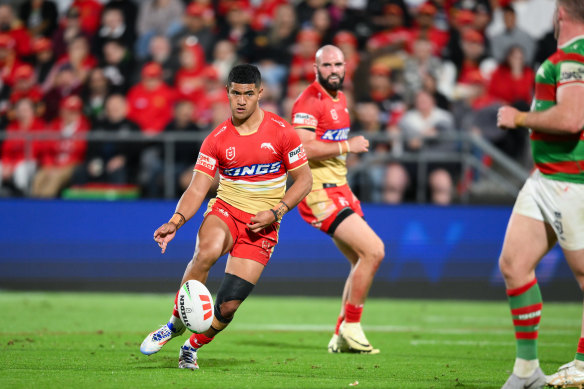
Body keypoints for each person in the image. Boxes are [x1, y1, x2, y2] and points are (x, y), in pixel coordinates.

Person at [139, 64, 313, 370]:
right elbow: (197, 188)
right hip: (227, 211)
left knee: (229, 305)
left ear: (261, 93)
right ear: (228, 94)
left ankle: (191, 347)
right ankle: (174, 324)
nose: (242, 100)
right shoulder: (216, 139)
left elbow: (304, 180)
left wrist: (277, 211)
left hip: (264, 224)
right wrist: (176, 221)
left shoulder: (283, 132)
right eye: (236, 93)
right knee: (205, 253)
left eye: (248, 93)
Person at [496, 1, 584, 388]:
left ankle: (582, 362)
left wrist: (519, 117)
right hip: (544, 177)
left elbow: (570, 119)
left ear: (560, 14)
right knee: (514, 264)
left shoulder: (574, 58)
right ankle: (528, 372)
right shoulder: (564, 58)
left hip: (571, 180)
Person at [291, 45, 384, 354]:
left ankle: (339, 336)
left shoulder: (341, 98)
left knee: (361, 259)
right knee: (374, 251)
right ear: (316, 68)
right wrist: (347, 146)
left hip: (340, 188)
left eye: (338, 64)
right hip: (318, 192)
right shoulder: (309, 101)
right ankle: (352, 325)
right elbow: (301, 148)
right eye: (327, 64)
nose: (333, 69)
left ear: (346, 67)